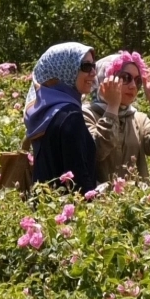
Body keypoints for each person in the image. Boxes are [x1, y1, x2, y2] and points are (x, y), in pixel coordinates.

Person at [83, 51, 150, 183]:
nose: (133, 86)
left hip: (134, 203)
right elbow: (97, 151)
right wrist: (112, 107)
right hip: (100, 202)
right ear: (104, 79)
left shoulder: (138, 119)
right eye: (125, 78)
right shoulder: (86, 114)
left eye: (138, 81)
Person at [24, 42, 98, 193]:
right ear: (65, 69)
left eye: (93, 65)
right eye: (85, 66)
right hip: (68, 211)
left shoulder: (45, 113)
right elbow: (78, 178)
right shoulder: (70, 116)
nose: (93, 72)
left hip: (46, 207)